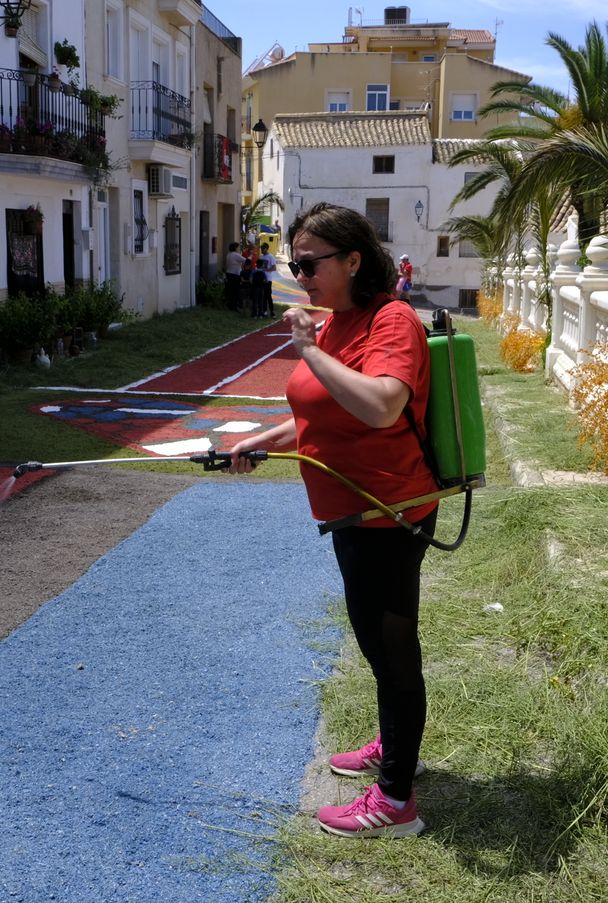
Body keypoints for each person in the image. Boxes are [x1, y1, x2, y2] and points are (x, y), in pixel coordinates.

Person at [227, 203, 438, 838]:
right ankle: (393, 745)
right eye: (295, 266)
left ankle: (396, 801)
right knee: (375, 643)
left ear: (352, 260)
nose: (301, 276)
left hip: (388, 514)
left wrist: (305, 349)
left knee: (392, 652)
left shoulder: (391, 320)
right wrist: (261, 441)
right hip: (351, 512)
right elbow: (324, 412)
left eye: (310, 264)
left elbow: (380, 406)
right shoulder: (338, 324)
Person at [254, 242, 277, 318]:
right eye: (261, 248)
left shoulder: (271, 257)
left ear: (266, 248)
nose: (261, 250)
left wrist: (266, 270)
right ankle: (264, 311)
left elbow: (274, 268)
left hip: (268, 279)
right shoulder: (261, 257)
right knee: (262, 296)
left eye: (263, 249)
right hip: (261, 279)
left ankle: (272, 312)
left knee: (268, 296)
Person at [225, 242, 246, 311]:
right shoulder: (236, 255)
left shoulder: (228, 254)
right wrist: (250, 256)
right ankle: (234, 306)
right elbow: (245, 260)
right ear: (235, 248)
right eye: (237, 247)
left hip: (229, 273)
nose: (238, 249)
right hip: (235, 275)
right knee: (236, 291)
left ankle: (230, 305)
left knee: (230, 291)